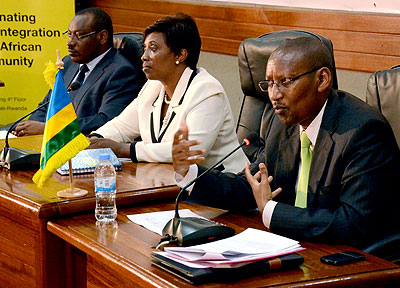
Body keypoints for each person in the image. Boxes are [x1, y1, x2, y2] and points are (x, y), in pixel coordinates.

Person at [172, 37, 400, 248]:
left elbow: (352, 223)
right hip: (295, 244)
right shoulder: (281, 122)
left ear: (322, 79)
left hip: (348, 257)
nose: (274, 95)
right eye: (269, 84)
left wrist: (272, 211)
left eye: (285, 81)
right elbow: (253, 186)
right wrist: (190, 173)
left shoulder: (363, 131)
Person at [89, 13, 247, 173]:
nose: (144, 57)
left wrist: (125, 150)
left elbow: (189, 151)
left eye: (153, 48)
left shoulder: (207, 90)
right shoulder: (153, 86)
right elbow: (121, 126)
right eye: (145, 49)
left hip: (222, 186)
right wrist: (94, 140)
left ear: (180, 55)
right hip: (170, 181)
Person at [12, 8, 141, 136]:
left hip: (86, 149)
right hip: (49, 144)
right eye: (69, 35)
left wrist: (52, 129)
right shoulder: (68, 63)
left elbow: (107, 121)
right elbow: (46, 106)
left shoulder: (121, 72)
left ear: (102, 37)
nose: (70, 43)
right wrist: (28, 131)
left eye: (79, 36)